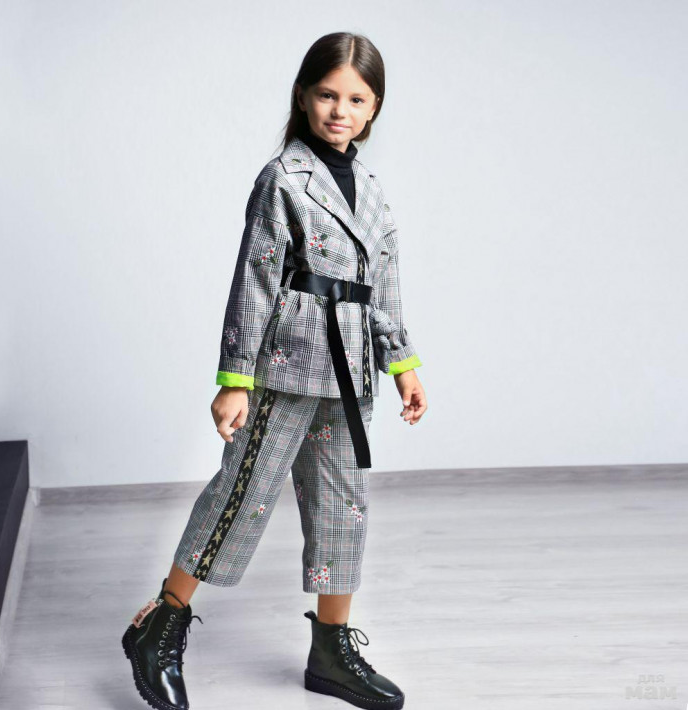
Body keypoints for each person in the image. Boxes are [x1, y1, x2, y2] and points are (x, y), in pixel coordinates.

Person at [122, 30, 427, 710]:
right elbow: (254, 281)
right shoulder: (283, 178)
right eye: (327, 95)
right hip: (286, 365)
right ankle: (159, 626)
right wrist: (236, 380)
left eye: (356, 99)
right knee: (243, 496)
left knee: (343, 507)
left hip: (351, 373)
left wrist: (402, 362)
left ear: (374, 108)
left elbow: (383, 285)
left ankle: (332, 651)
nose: (340, 111)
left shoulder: (373, 192)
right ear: (303, 96)